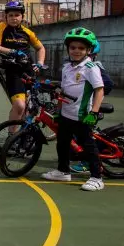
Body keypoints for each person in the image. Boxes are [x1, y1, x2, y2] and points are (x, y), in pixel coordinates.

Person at [42, 27, 105, 191]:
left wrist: (94, 113)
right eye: (73, 47)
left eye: (81, 48)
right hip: (66, 114)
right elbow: (64, 91)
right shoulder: (67, 67)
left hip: (82, 115)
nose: (76, 51)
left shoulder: (91, 67)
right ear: (68, 48)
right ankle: (63, 171)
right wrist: (58, 110)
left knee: (88, 146)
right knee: (62, 143)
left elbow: (99, 90)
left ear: (88, 50)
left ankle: (97, 178)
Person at [0, 1, 45, 131]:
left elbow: (41, 48)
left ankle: (22, 135)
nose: (14, 18)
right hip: (13, 71)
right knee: (20, 106)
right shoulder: (1, 27)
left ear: (22, 17)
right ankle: (12, 137)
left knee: (28, 107)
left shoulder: (28, 32)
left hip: (29, 71)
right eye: (11, 15)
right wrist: (13, 52)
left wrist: (40, 63)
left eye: (17, 15)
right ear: (6, 16)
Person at [70, 38, 114, 173]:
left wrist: (93, 96)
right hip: (78, 104)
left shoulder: (95, 66)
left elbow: (106, 84)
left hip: (90, 106)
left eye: (86, 53)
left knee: (85, 136)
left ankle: (88, 163)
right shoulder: (73, 66)